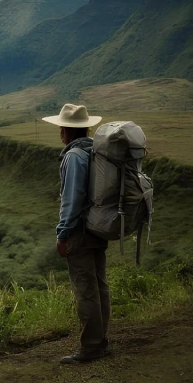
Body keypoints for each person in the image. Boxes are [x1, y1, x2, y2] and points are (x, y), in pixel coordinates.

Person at [42, 103, 111, 364]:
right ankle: (101, 340)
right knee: (100, 285)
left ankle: (92, 347)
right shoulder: (96, 150)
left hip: (80, 231)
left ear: (65, 130)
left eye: (61, 127)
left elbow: (71, 199)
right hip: (99, 226)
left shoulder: (74, 157)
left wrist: (63, 234)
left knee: (85, 290)